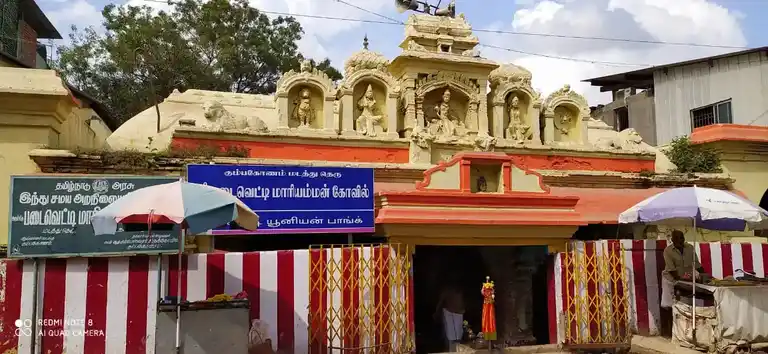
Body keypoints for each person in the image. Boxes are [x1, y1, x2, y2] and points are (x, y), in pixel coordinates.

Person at [661, 230, 711, 308]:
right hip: (671, 280)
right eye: (677, 238)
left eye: (681, 238)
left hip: (686, 279)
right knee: (669, 306)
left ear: (684, 239)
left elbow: (697, 265)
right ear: (672, 240)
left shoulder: (690, 248)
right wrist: (689, 280)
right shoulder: (667, 251)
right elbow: (673, 272)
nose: (680, 240)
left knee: (688, 304)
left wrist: (705, 277)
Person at [434, 280, 465, 352]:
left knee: (458, 333)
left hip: (458, 312)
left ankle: (456, 349)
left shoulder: (459, 290)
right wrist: (437, 312)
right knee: (450, 333)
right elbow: (441, 301)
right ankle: (452, 350)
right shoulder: (447, 290)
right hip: (449, 312)